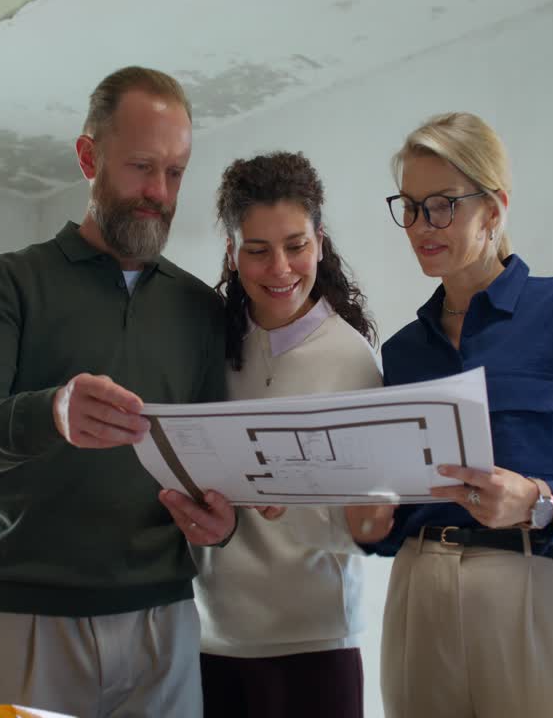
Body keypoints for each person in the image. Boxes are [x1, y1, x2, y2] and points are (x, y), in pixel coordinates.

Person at [0, 66, 236, 718]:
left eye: (176, 173)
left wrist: (221, 520)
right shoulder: (11, 282)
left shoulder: (202, 309)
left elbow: (210, 462)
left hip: (167, 619)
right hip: (27, 617)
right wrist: (52, 410)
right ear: (88, 156)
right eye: (141, 167)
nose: (159, 192)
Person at [345, 112, 553, 717]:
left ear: (495, 208)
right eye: (410, 206)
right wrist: (372, 525)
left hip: (533, 581)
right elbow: (400, 512)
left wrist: (535, 499)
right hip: (419, 594)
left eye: (443, 205)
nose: (422, 226)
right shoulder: (402, 350)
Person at [192, 151, 381, 718]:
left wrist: (290, 506)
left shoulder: (353, 360)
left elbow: (371, 526)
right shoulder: (210, 346)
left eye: (296, 245)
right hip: (210, 640)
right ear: (231, 253)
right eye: (257, 250)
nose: (280, 268)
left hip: (315, 647)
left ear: (319, 242)